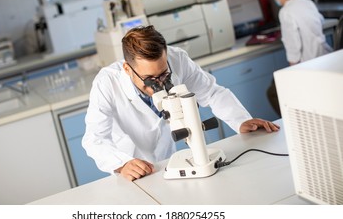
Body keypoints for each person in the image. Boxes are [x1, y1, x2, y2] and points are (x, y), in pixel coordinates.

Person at [82, 25, 280, 181]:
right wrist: (122, 163)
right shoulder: (106, 82)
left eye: (164, 75)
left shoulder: (177, 59)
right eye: (150, 78)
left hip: (170, 159)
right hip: (131, 167)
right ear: (127, 69)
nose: (159, 84)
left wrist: (241, 121)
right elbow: (94, 139)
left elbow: (211, 92)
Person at [268, 0, 333, 116]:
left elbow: (294, 49)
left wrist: (292, 74)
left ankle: (295, 123)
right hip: (325, 57)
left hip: (308, 65)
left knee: (273, 92)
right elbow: (320, 21)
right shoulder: (307, 2)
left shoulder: (285, 12)